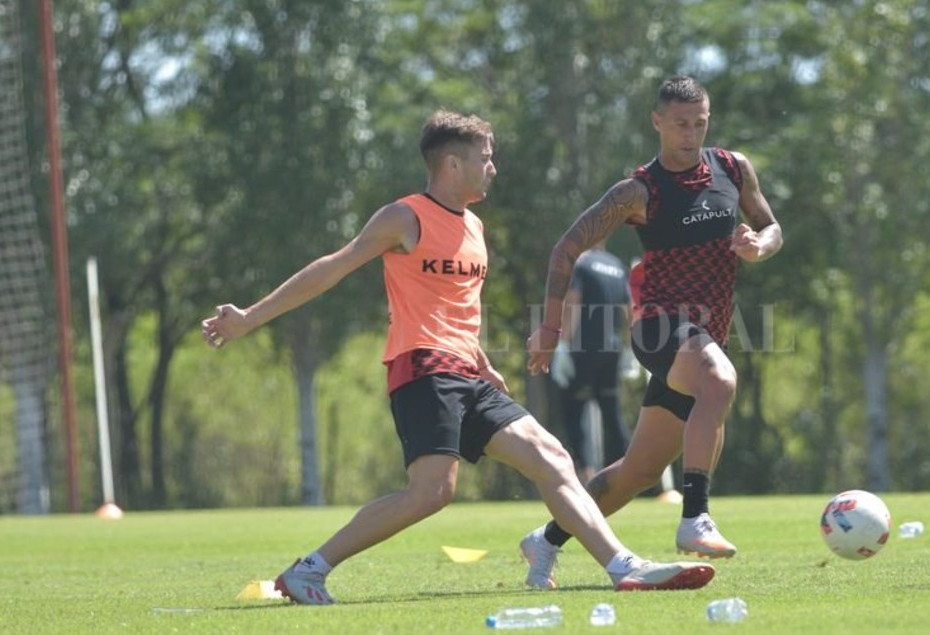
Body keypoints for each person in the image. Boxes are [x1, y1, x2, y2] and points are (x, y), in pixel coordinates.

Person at [200, 110, 715, 604]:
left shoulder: (475, 228)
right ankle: (308, 570)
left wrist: (483, 361)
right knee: (431, 493)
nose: (493, 168)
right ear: (452, 163)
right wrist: (249, 317)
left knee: (552, 457)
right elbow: (332, 268)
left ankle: (623, 567)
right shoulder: (404, 217)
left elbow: (456, 308)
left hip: (466, 371)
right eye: (485, 158)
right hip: (422, 367)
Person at [519, 76, 783, 588]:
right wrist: (550, 328)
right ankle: (695, 516)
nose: (691, 133)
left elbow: (772, 226)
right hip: (660, 327)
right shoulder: (638, 191)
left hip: (705, 335)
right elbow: (566, 249)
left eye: (699, 123)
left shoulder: (733, 167)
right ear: (657, 122)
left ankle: (545, 540)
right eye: (680, 124)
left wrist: (759, 246)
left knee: (637, 473)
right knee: (720, 381)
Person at [554, 243, 632, 483]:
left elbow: (573, 301)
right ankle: (626, 475)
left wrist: (563, 345)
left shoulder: (581, 262)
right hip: (612, 350)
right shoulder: (617, 265)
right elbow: (630, 308)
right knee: (612, 411)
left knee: (574, 411)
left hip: (585, 348)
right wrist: (629, 347)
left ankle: (587, 475)